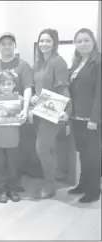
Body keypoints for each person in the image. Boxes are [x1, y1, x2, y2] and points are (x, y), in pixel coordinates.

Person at [0, 32, 33, 192]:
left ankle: (14, 183)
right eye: (3, 44)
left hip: (15, 121)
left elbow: (27, 88)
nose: (6, 46)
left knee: (14, 154)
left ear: (14, 46)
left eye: (10, 43)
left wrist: (25, 109)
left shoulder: (23, 65)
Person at [30, 28, 71, 199]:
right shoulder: (38, 63)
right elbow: (38, 89)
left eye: (48, 41)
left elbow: (64, 89)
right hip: (41, 110)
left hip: (54, 112)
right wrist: (33, 98)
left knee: (41, 148)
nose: (44, 44)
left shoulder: (58, 62)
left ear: (54, 43)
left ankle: (50, 186)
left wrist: (67, 113)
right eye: (41, 41)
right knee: (47, 148)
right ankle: (51, 178)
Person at [68, 28, 101, 203]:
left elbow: (99, 92)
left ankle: (94, 190)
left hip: (91, 119)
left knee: (93, 155)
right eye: (79, 41)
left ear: (93, 42)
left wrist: (94, 119)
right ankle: (83, 184)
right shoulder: (76, 63)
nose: (83, 44)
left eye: (86, 40)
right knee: (83, 153)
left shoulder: (98, 62)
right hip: (76, 117)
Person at [0, 70, 24, 203]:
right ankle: (2, 189)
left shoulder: (20, 100)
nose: (6, 87)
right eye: (3, 84)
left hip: (13, 139)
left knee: (13, 165)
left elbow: (26, 116)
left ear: (14, 84)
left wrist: (23, 117)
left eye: (9, 84)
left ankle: (13, 188)